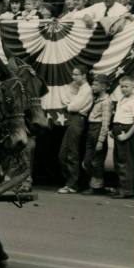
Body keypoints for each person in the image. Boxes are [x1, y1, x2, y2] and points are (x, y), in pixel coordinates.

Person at [57, 66, 93, 194]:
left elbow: (73, 107)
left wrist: (70, 106)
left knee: (72, 153)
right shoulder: (81, 89)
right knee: (63, 153)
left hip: (78, 120)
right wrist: (70, 105)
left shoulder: (87, 90)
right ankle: (71, 182)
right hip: (73, 120)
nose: (73, 77)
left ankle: (73, 185)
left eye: (76, 74)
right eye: (73, 74)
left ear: (84, 75)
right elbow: (71, 104)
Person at [80, 73, 112, 196]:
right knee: (88, 161)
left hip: (98, 130)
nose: (92, 86)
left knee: (96, 161)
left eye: (95, 84)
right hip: (92, 129)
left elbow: (105, 123)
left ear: (103, 87)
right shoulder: (97, 99)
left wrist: (100, 140)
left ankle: (96, 187)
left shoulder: (106, 102)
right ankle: (94, 184)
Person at [111, 75, 134, 199]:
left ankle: (127, 190)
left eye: (126, 86)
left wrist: (127, 135)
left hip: (126, 130)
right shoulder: (122, 99)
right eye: (121, 86)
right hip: (118, 129)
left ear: (133, 86)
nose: (123, 89)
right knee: (118, 160)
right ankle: (120, 187)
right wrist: (113, 130)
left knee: (125, 161)